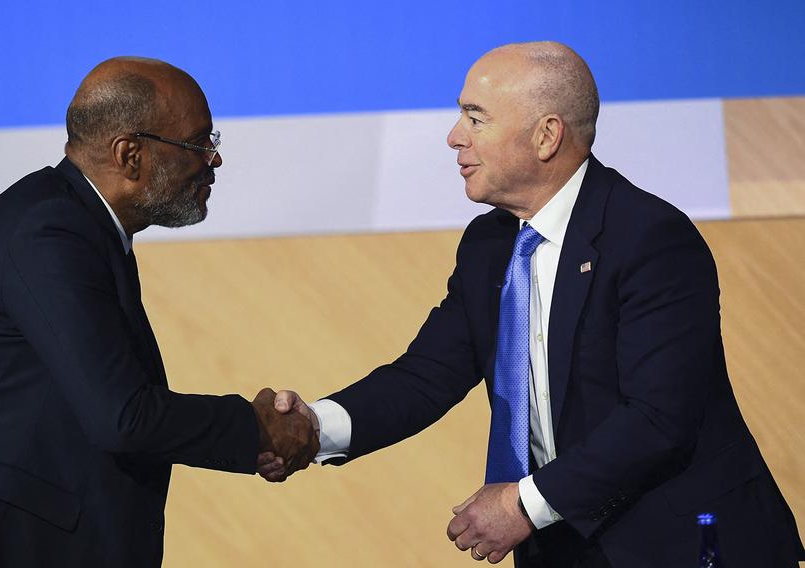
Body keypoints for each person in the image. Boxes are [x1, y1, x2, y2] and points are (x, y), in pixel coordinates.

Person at [259, 42, 805, 567]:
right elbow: (427, 375)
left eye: (476, 118)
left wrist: (522, 504)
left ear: (546, 136)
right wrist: (313, 426)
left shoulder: (649, 238)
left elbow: (657, 420)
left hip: (679, 542)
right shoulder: (488, 246)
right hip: (561, 545)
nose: (454, 137)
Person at [0, 57, 318, 568]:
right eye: (200, 144)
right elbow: (123, 415)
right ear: (131, 155)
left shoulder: (77, 224)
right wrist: (254, 429)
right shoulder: (49, 230)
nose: (214, 160)